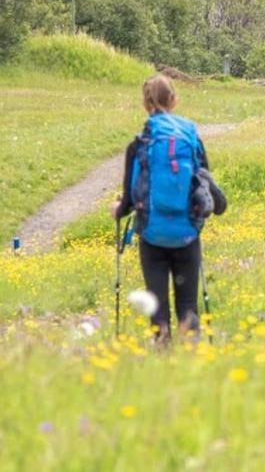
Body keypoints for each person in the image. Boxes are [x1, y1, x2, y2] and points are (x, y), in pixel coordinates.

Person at [113, 75, 211, 343]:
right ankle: (194, 358)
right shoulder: (191, 137)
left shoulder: (140, 144)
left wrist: (118, 210)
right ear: (174, 100)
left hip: (152, 235)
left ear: (146, 104)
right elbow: (204, 181)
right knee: (188, 302)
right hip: (187, 234)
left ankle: (162, 354)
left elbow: (129, 200)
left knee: (156, 305)